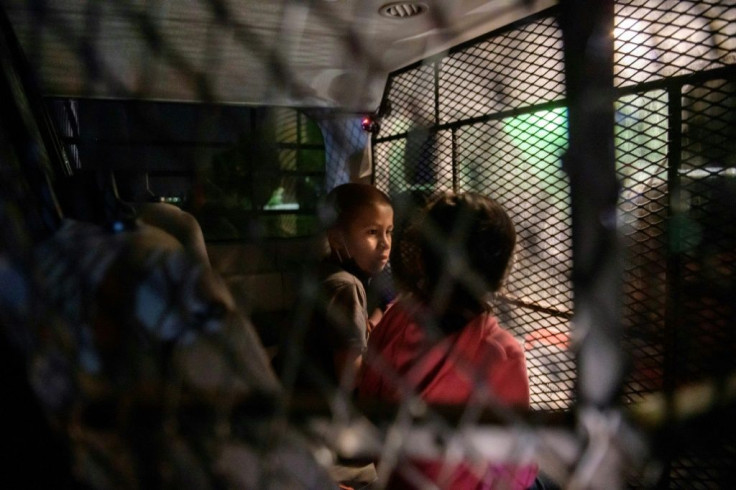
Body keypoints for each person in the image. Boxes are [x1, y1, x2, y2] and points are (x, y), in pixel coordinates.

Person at [358, 191, 537, 489]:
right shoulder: (502, 353)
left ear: (423, 257)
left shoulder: (396, 316)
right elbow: (518, 469)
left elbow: (367, 398)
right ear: (500, 272)